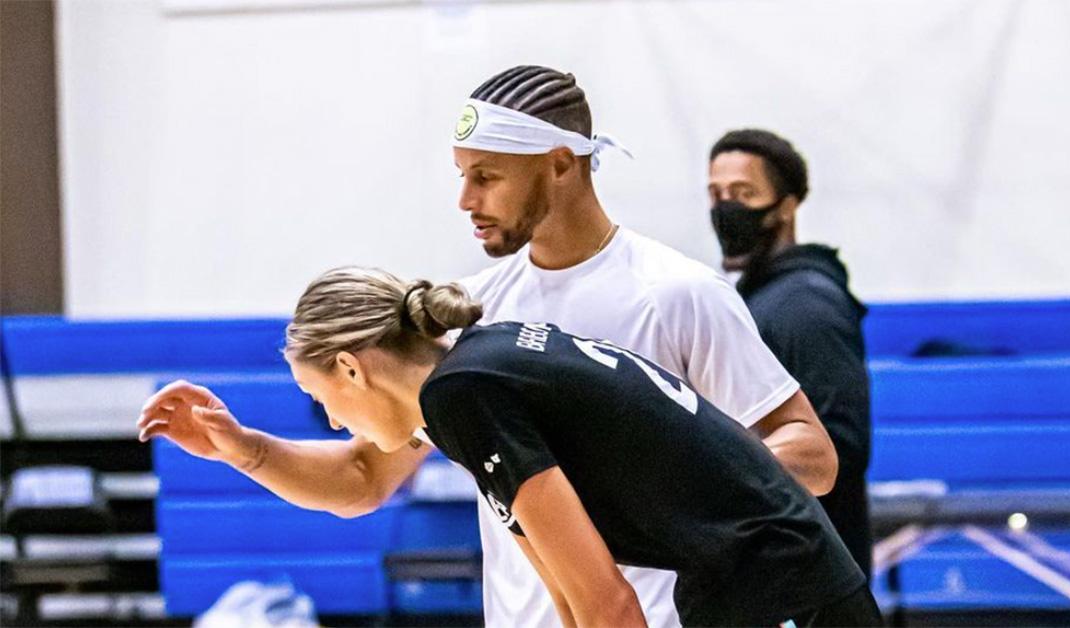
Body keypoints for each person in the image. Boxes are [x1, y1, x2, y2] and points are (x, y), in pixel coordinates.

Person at [139, 65, 838, 627]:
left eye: (487, 176)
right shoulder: (471, 310)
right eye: (461, 174)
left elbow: (811, 452)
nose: (465, 200)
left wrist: (645, 483)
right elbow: (365, 477)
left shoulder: (678, 292)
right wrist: (246, 450)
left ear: (561, 165)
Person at [140, 267, 883, 627]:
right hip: (759, 577)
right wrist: (242, 449)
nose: (335, 423)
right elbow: (565, 585)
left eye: (324, 401)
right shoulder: (476, 367)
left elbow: (607, 602)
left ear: (350, 367)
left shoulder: (465, 396)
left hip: (778, 589)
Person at [708, 129, 874, 577]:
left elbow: (843, 444)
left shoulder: (805, 305)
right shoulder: (757, 296)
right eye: (717, 193)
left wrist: (714, 466)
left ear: (786, 205)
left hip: (807, 562)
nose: (727, 207)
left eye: (743, 193)